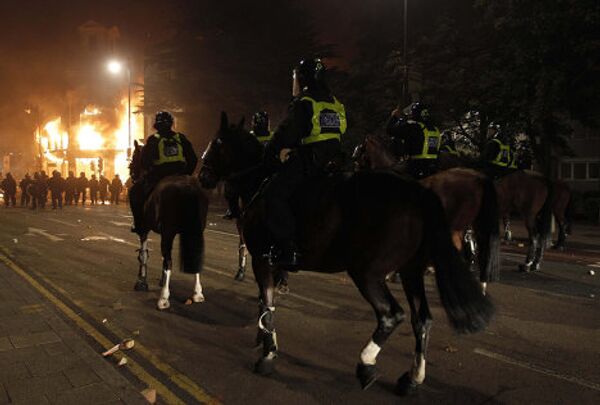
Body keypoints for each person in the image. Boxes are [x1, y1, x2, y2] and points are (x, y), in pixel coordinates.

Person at [262, 57, 347, 266]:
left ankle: (288, 248)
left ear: (303, 78)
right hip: (337, 157)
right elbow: (343, 129)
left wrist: (271, 151)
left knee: (273, 195)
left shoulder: (305, 101)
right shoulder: (335, 102)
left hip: (312, 158)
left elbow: (288, 133)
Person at [129, 111, 198, 233]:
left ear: (156, 125)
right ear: (171, 124)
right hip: (181, 175)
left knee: (135, 192)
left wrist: (151, 171)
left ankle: (138, 224)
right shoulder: (181, 138)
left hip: (159, 176)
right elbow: (193, 159)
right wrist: (187, 174)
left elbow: (145, 161)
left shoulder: (153, 140)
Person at [387, 102, 441, 179]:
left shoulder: (414, 127)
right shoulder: (436, 129)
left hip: (416, 167)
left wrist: (394, 117)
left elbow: (390, 130)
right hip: (434, 167)